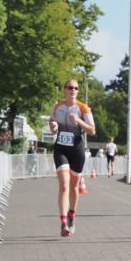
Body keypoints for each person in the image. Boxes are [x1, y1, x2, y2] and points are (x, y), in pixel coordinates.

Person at [49, 80, 95, 236]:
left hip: (77, 148)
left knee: (74, 187)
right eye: (70, 87)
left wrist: (79, 121)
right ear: (65, 90)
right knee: (64, 185)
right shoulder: (57, 107)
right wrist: (53, 126)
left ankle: (71, 215)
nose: (73, 90)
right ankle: (63, 223)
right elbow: (52, 125)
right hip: (61, 148)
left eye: (76, 88)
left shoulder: (83, 108)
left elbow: (92, 131)